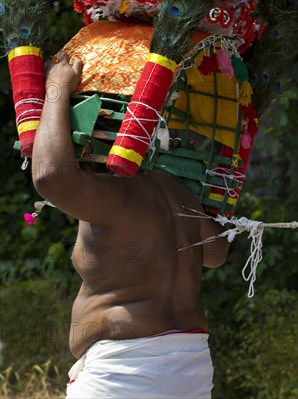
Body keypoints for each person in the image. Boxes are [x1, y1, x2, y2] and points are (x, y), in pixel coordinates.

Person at [32, 52, 230, 398]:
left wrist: (56, 89)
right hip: (192, 365)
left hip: (127, 372)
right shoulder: (181, 196)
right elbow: (216, 254)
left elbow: (50, 176)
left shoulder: (118, 195)